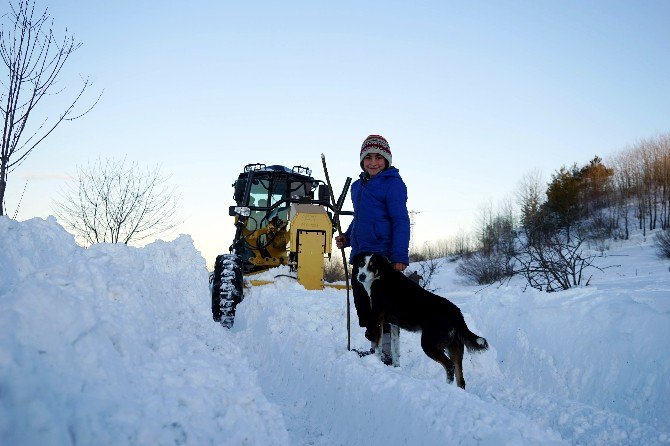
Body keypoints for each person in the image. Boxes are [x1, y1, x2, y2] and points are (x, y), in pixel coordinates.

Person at [335, 134, 410, 365]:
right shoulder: (357, 187)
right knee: (363, 304)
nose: (373, 162)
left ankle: (386, 353)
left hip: (382, 256)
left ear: (387, 160)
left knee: (382, 305)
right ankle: (374, 348)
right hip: (360, 255)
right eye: (368, 157)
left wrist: (398, 256)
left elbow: (400, 220)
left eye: (379, 157)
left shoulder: (393, 183)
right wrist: (347, 238)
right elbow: (360, 218)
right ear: (362, 160)